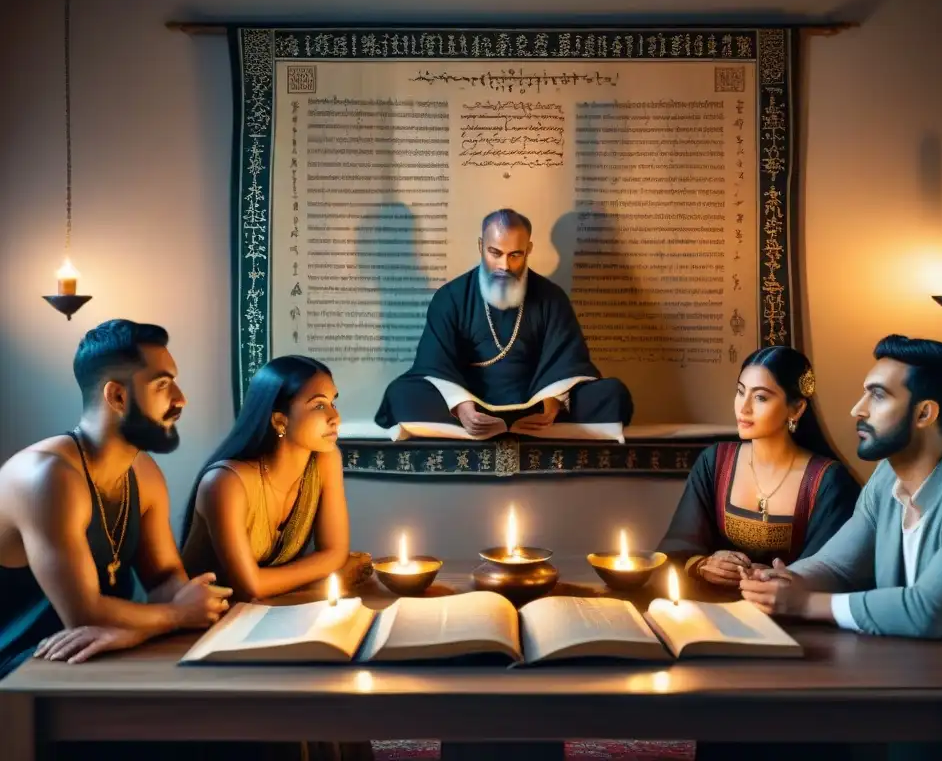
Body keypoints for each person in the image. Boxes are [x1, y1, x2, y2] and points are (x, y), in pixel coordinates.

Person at [739, 335, 942, 760]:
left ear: (925, 413)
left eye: (877, 395)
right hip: (904, 681)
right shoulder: (885, 480)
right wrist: (785, 579)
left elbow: (927, 611)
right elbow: (838, 564)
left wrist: (802, 604)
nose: (858, 409)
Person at [0, 319, 230, 676]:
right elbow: (83, 614)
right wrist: (178, 615)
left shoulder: (144, 472)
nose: (180, 398)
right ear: (118, 396)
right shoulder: (47, 477)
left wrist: (189, 602)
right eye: (163, 385)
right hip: (21, 665)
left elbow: (165, 578)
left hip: (102, 652)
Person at [374, 208, 633, 436]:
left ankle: (541, 423)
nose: (504, 265)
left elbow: (567, 359)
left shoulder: (551, 297)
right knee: (401, 394)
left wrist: (551, 406)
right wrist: (462, 407)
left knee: (612, 394)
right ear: (480, 246)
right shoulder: (451, 297)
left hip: (535, 400)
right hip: (471, 401)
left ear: (529, 249)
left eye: (515, 255)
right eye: (495, 253)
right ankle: (472, 421)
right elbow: (434, 362)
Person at [657, 346, 861, 589]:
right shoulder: (715, 462)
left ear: (796, 408)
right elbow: (677, 549)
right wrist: (703, 564)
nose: (744, 408)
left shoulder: (826, 481)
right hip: (715, 611)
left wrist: (784, 578)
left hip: (791, 618)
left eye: (760, 397)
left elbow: (836, 570)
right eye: (740, 392)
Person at [180, 355, 369, 600]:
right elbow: (252, 587)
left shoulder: (325, 460)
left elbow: (335, 552)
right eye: (319, 406)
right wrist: (318, 579)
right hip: (203, 626)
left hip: (269, 611)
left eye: (333, 402)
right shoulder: (225, 483)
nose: (335, 417)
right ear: (280, 421)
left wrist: (325, 568)